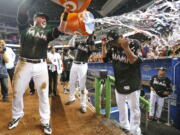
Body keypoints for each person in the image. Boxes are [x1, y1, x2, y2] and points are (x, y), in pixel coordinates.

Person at [8, 0, 68, 134]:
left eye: (46, 19)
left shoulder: (47, 33)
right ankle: (17, 115)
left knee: (43, 94)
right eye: (42, 17)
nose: (44, 19)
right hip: (24, 64)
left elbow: (62, 29)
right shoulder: (25, 28)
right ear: (35, 19)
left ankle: (45, 121)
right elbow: (22, 9)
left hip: (41, 66)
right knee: (17, 92)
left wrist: (67, 13)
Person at [102, 30, 142, 135]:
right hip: (119, 80)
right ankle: (124, 125)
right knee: (121, 106)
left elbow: (134, 61)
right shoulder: (112, 46)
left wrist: (126, 48)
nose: (114, 43)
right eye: (112, 42)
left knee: (134, 109)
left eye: (115, 41)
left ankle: (135, 131)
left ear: (121, 36)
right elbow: (105, 59)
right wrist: (103, 46)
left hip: (132, 80)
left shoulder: (134, 43)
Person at [65, 35, 96, 113]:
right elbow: (70, 45)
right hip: (74, 64)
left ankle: (83, 105)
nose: (88, 38)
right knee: (71, 82)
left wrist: (91, 37)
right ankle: (71, 98)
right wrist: (74, 36)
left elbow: (92, 48)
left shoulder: (91, 47)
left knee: (82, 86)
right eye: (88, 37)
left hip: (83, 65)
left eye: (90, 38)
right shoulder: (81, 43)